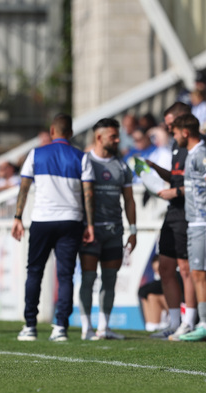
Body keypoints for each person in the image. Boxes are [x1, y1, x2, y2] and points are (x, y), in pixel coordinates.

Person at [11, 113, 95, 342]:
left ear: (52, 131)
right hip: (71, 221)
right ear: (70, 133)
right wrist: (89, 224)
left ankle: (30, 325)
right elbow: (89, 194)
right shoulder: (82, 157)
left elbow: (24, 188)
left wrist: (18, 216)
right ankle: (60, 328)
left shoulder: (36, 154)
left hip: (42, 220)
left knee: (35, 272)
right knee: (65, 275)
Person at [170, 114, 206, 342]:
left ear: (184, 132)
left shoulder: (202, 152)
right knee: (196, 273)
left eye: (174, 133)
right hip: (195, 221)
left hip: (205, 222)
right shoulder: (194, 153)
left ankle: (205, 326)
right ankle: (201, 324)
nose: (174, 137)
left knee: (200, 274)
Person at [78, 118, 137, 340]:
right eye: (113, 136)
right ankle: (86, 328)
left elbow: (129, 200)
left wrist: (133, 230)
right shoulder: (85, 162)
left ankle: (104, 328)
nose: (117, 140)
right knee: (88, 278)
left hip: (114, 232)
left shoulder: (122, 166)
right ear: (99, 137)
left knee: (110, 278)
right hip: (89, 231)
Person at [146, 102, 198, 341]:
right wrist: (155, 169)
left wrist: (175, 193)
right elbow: (177, 179)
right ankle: (174, 322)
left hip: (188, 212)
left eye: (170, 124)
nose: (167, 128)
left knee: (186, 269)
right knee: (166, 267)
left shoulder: (197, 145)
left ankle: (190, 322)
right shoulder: (177, 147)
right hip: (173, 212)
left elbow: (202, 184)